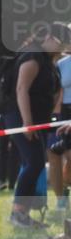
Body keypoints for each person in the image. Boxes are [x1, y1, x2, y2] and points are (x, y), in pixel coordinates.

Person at [3, 24, 67, 228]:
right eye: (61, 42)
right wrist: (27, 123)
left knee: (36, 162)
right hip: (20, 117)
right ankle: (18, 213)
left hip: (37, 119)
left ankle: (23, 213)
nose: (63, 47)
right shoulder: (32, 57)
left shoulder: (49, 60)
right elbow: (22, 89)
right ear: (49, 37)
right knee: (34, 162)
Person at [50, 49, 71, 211]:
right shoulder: (61, 64)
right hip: (65, 112)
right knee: (56, 152)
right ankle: (61, 199)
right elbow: (57, 92)